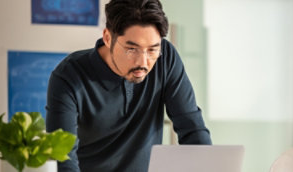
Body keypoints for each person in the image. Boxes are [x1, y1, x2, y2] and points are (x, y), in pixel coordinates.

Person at [45, 0, 212, 171]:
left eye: (152, 49)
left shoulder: (166, 58)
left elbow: (192, 130)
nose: (143, 62)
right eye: (132, 49)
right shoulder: (68, 76)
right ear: (108, 38)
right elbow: (63, 160)